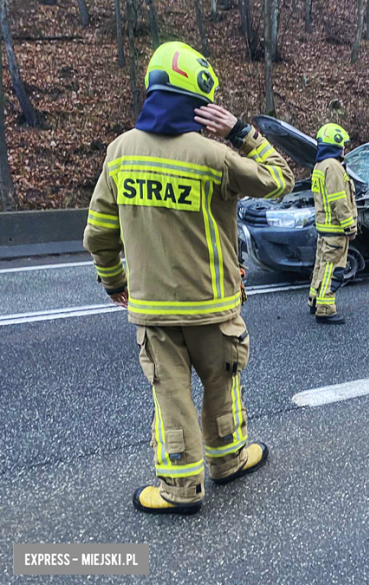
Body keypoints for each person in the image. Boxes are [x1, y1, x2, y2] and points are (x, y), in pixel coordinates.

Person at [83, 42, 294, 515]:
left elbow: (99, 233)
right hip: (213, 305)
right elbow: (281, 180)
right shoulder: (211, 156)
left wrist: (114, 281)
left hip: (154, 309)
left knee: (170, 395)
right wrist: (240, 131)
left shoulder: (119, 153)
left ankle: (180, 490)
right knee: (222, 386)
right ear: (201, 100)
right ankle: (227, 462)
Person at [307, 123, 357, 325]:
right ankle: (326, 309)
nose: (344, 148)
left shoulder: (320, 165)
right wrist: (350, 227)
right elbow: (339, 201)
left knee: (321, 266)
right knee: (333, 268)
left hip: (324, 227)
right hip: (335, 229)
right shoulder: (334, 167)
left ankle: (314, 300)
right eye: (343, 144)